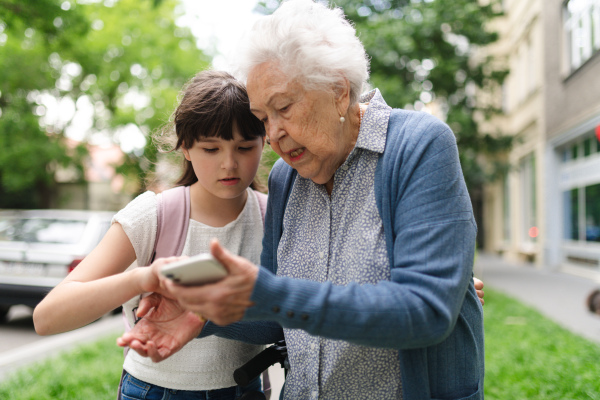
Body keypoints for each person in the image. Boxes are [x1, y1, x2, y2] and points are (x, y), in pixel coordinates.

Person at [118, 1, 485, 399]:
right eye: (262, 118)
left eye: (284, 108)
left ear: (338, 90)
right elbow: (279, 319)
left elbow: (426, 311)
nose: (273, 135)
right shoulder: (286, 179)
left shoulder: (417, 146)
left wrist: (270, 293)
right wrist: (203, 311)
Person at [33, 70, 279, 400]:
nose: (229, 164)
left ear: (265, 142)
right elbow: (47, 317)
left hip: (244, 388)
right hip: (154, 391)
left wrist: (207, 314)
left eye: (245, 147)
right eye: (211, 149)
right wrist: (143, 279)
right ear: (186, 148)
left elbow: (288, 321)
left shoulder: (274, 216)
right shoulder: (154, 214)